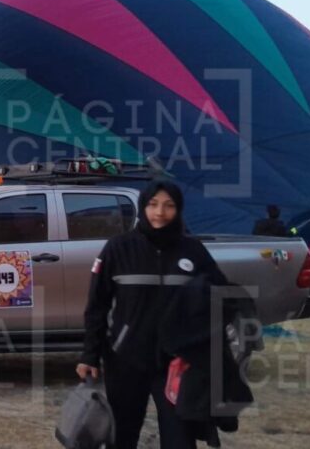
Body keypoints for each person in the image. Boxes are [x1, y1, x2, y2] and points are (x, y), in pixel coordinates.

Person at [78, 181, 229, 449]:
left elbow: (218, 298)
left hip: (176, 364)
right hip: (125, 359)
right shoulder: (118, 248)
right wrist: (90, 355)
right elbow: (97, 305)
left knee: (180, 439)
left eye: (169, 205)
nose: (160, 212)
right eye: (153, 204)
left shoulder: (193, 251)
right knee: (121, 437)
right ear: (143, 207)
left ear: (178, 209)